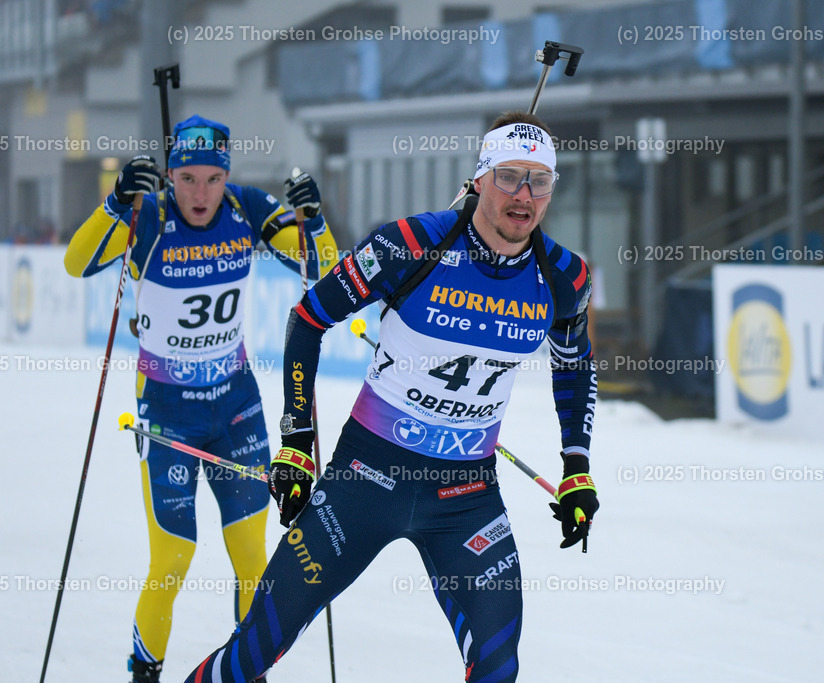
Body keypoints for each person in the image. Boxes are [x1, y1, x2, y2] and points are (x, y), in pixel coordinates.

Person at [185, 111, 600, 683]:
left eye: (540, 180)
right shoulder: (409, 244)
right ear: (479, 178)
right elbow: (308, 319)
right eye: (508, 176)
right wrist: (298, 442)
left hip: (466, 496)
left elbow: (575, 366)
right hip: (367, 478)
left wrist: (577, 465)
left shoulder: (564, 278)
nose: (523, 195)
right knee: (255, 651)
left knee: (499, 667)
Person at [63, 114, 338, 683]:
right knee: (171, 562)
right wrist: (114, 205)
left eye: (212, 179)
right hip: (166, 414)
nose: (201, 193)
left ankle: (248, 672)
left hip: (235, 408)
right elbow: (76, 262)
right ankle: (145, 673)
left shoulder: (247, 207)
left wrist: (315, 219)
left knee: (253, 560)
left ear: (226, 176)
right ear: (170, 176)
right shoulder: (148, 215)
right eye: (188, 178)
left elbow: (325, 269)